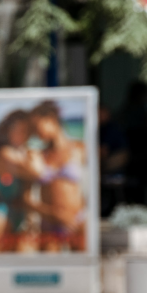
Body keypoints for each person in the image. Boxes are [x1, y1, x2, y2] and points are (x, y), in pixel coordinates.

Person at [31, 100, 88, 252]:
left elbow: (95, 184)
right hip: (50, 221)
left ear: (51, 119)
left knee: (82, 271)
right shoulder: (37, 155)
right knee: (49, 272)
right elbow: (24, 199)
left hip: (77, 219)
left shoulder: (80, 148)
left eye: (37, 126)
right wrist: (53, 213)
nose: (36, 133)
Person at [0, 109, 45, 253]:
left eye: (23, 130)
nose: (19, 134)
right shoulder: (4, 152)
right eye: (15, 130)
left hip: (26, 213)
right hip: (4, 209)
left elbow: (37, 172)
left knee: (23, 261)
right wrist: (34, 156)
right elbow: (37, 172)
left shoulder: (27, 152)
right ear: (7, 131)